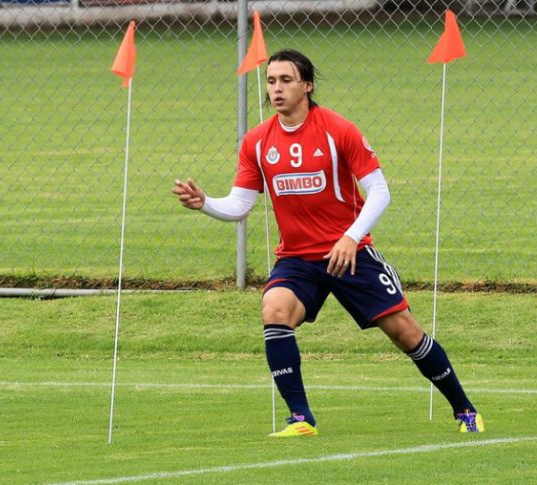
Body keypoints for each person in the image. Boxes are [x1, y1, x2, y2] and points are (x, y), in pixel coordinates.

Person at [172, 49, 484, 437]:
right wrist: (206, 204)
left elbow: (380, 192)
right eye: (271, 81)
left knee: (405, 332)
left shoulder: (338, 129)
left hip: (349, 254)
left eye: (286, 80)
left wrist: (351, 238)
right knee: (274, 308)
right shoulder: (255, 142)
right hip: (299, 260)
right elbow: (240, 205)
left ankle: (465, 409)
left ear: (308, 85)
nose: (277, 89)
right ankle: (301, 418)